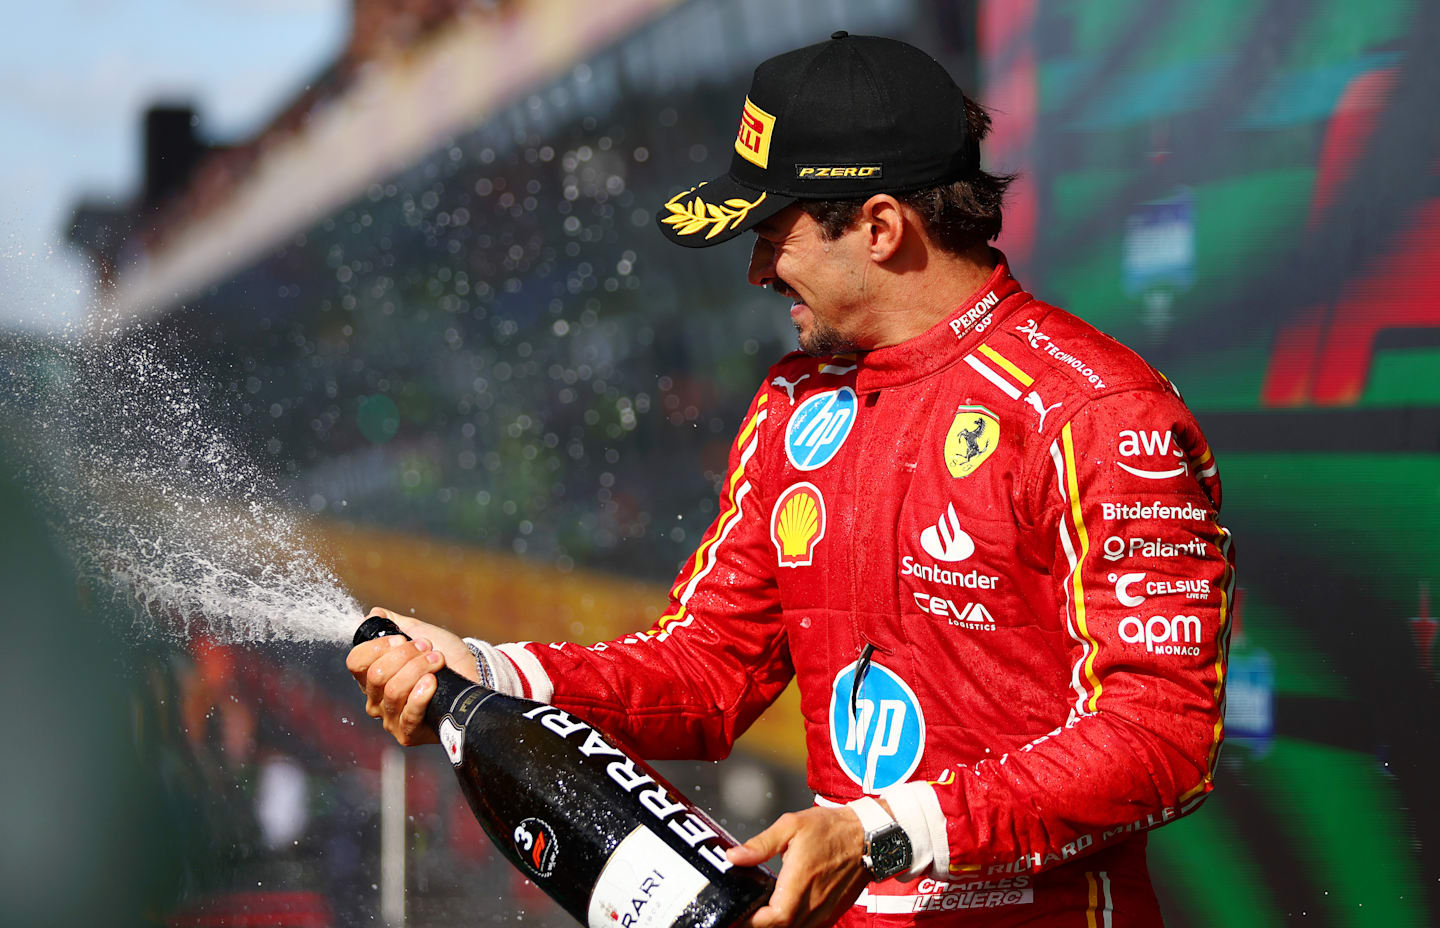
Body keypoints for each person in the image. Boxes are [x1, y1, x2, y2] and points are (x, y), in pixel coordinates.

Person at [348, 32, 1235, 927]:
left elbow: (1163, 736)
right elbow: (709, 669)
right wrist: (493, 675)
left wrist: (887, 831)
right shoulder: (795, 398)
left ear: (881, 228)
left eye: (773, 235)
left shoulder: (1097, 411)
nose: (755, 269)